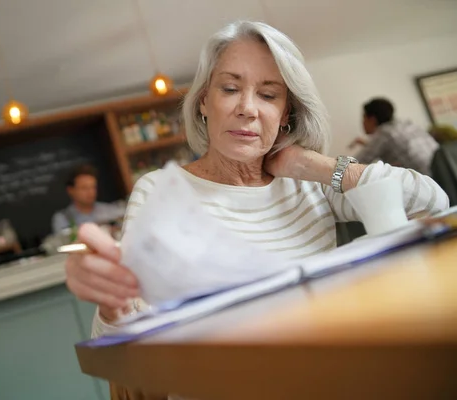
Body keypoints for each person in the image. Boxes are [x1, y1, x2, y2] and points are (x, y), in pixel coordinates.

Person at [64, 21, 449, 399]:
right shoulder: (163, 193)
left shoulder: (308, 184)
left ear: (286, 114)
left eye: (268, 95)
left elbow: (432, 202)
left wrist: (314, 166)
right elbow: (127, 345)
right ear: (203, 101)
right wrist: (113, 308)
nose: (247, 108)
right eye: (230, 88)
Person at [349, 98, 439, 175]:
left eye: (363, 118)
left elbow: (355, 165)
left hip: (425, 182)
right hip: (442, 174)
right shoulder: (408, 125)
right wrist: (367, 144)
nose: (362, 123)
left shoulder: (384, 133)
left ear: (372, 119)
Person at [52, 164, 125, 236]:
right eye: (84, 188)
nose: (90, 192)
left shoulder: (110, 211)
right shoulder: (63, 218)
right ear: (70, 190)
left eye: (93, 187)